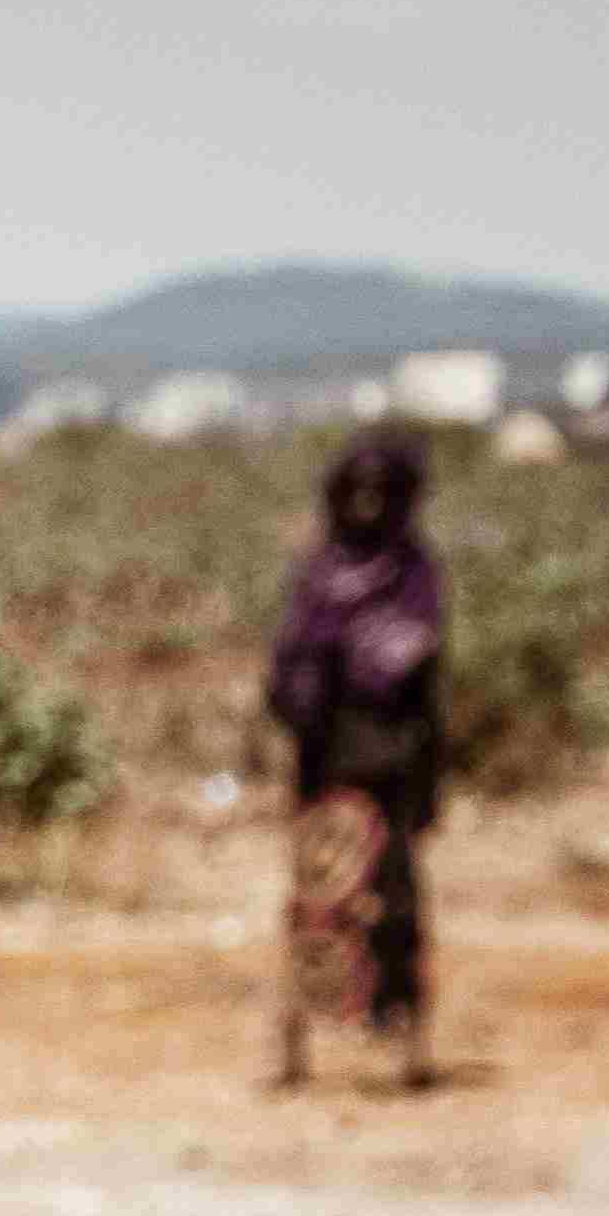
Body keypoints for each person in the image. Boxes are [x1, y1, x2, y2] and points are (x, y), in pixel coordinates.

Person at [264, 421, 450, 1091]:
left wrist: (430, 779)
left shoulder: (415, 576)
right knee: (317, 900)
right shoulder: (318, 578)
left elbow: (422, 678)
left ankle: (403, 1038)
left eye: (381, 490)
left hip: (394, 760)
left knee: (396, 902)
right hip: (324, 761)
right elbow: (289, 670)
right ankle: (299, 1045)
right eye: (357, 490)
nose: (368, 503)